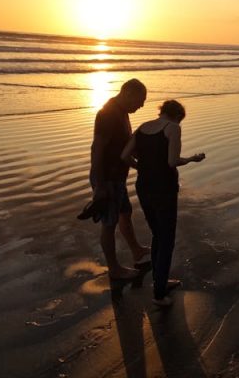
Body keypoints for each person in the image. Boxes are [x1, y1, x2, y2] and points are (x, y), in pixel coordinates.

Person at [122, 99, 206, 306]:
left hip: (143, 186)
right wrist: (192, 159)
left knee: (157, 233)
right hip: (164, 188)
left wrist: (141, 167)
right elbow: (172, 161)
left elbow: (125, 155)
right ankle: (159, 293)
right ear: (177, 115)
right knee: (166, 237)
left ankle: (161, 279)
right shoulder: (173, 128)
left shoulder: (143, 127)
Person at [90, 78, 150, 280]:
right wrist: (99, 184)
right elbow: (97, 148)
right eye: (140, 100)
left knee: (125, 212)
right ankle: (114, 269)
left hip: (117, 176)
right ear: (128, 94)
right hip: (107, 177)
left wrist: (141, 165)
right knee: (109, 223)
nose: (141, 105)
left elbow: (123, 147)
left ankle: (137, 250)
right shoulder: (108, 114)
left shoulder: (121, 112)